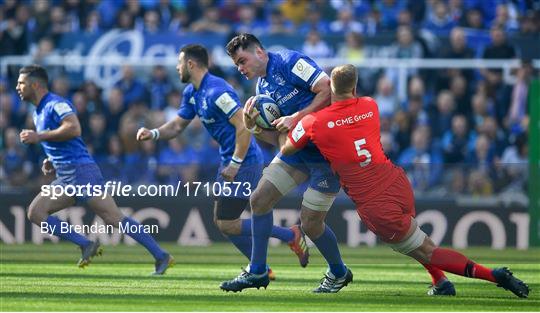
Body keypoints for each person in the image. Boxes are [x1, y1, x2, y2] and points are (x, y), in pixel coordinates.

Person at [281, 64, 530, 298]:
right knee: (415, 241)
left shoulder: (314, 122)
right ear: (355, 88)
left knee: (427, 250)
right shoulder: (370, 106)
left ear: (330, 90)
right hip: (397, 182)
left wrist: (285, 123)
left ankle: (494, 275)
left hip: (375, 202)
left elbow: (288, 149)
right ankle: (440, 282)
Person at [136, 44, 308, 280]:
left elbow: (244, 127)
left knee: (226, 223)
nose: (176, 68)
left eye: (179, 63)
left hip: (244, 161)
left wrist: (236, 162)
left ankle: (279, 248)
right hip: (229, 162)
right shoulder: (192, 93)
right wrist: (153, 134)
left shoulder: (218, 91)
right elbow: (177, 126)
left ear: (191, 64)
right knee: (223, 222)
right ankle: (266, 261)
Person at [220, 33, 350, 293]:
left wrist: (297, 117)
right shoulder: (261, 90)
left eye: (242, 61)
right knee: (259, 200)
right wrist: (254, 128)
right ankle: (257, 271)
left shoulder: (290, 61)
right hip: (298, 152)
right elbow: (280, 140)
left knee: (311, 224)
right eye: (236, 65)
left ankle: (339, 272)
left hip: (328, 152)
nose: (240, 68)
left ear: (259, 52)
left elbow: (327, 88)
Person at [16, 64, 173, 275]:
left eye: (22, 83)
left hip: (81, 173)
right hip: (65, 175)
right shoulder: (38, 113)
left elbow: (73, 128)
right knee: (36, 212)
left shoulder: (56, 104)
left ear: (35, 84)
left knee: (114, 218)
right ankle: (86, 244)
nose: (17, 87)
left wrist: (39, 137)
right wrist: (51, 160)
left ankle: (160, 255)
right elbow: (64, 142)